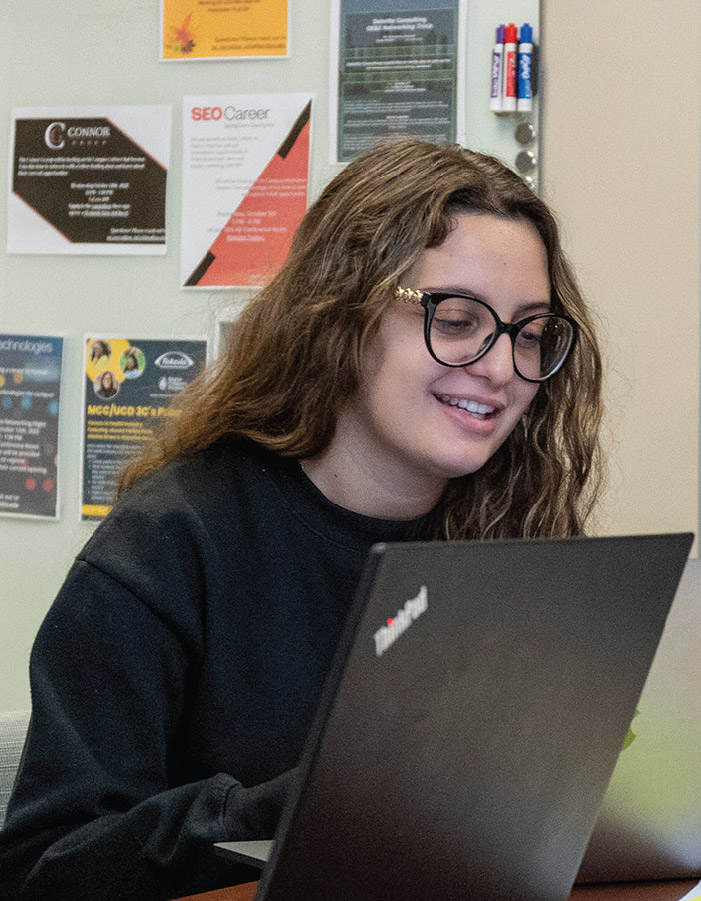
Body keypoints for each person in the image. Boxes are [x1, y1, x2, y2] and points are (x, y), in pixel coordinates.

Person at [0, 138, 602, 901]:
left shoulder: (519, 530)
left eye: (530, 333)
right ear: (340, 309)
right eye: (455, 319)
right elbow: (44, 869)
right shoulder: (167, 545)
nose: (498, 366)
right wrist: (295, 806)